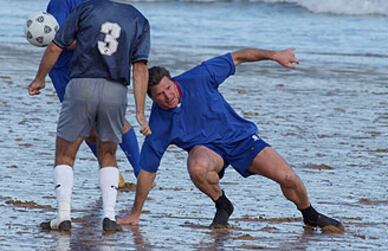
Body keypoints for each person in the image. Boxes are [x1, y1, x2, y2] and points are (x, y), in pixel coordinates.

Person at [118, 48, 345, 233]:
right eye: (159, 94)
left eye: (168, 88)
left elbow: (237, 57)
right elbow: (147, 172)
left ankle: (310, 215)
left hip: (241, 139)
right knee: (197, 167)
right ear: (151, 98)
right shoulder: (158, 124)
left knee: (287, 178)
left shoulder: (199, 77)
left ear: (172, 81)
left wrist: (274, 55)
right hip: (207, 151)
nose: (168, 96)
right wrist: (136, 212)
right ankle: (223, 205)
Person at [27, 0, 151, 232]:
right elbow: (140, 67)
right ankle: (110, 218)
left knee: (65, 153)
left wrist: (39, 78)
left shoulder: (85, 9)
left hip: (81, 81)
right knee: (108, 153)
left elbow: (56, 45)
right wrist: (141, 112)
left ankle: (63, 217)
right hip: (116, 88)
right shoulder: (137, 18)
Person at [46, 0, 143, 184]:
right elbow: (60, 38)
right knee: (88, 127)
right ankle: (113, 175)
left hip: (89, 65)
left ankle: (141, 172)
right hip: (64, 68)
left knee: (115, 120)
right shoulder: (61, 2)